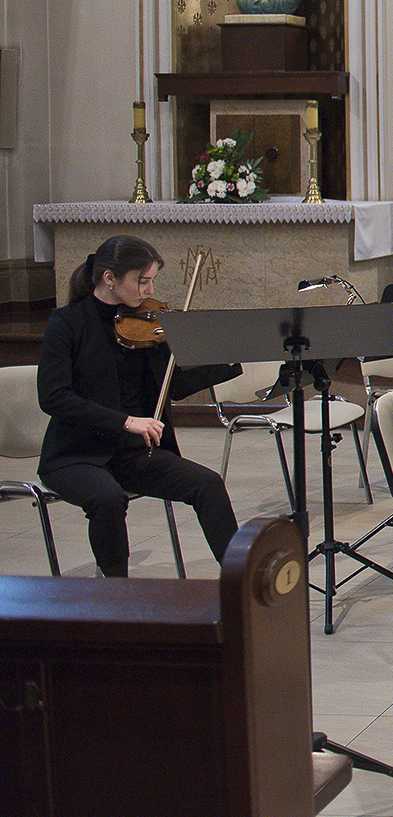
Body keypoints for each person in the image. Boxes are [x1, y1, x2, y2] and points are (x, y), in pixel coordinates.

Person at [37, 236, 242, 578]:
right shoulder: (67, 323)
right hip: (76, 455)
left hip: (132, 455)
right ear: (109, 279)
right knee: (108, 499)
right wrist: (125, 421)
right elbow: (54, 397)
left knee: (208, 483)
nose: (148, 291)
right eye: (141, 281)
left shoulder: (147, 323)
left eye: (152, 281)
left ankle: (241, 576)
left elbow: (171, 385)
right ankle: (118, 591)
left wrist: (228, 361)